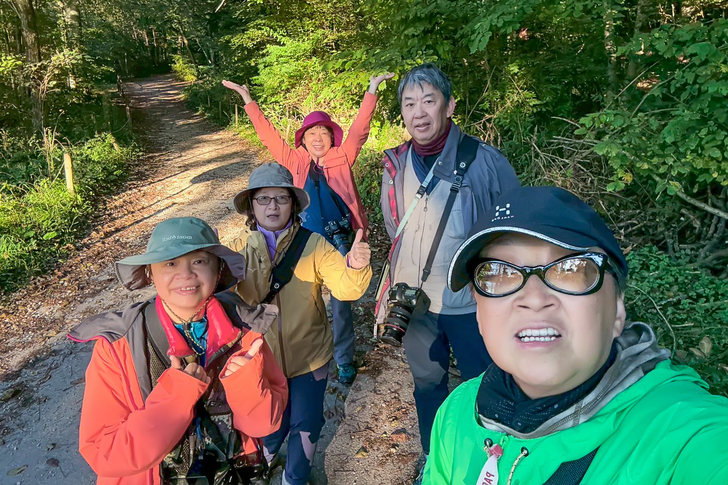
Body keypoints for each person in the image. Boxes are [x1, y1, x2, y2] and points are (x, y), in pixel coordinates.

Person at [424, 185, 728, 484]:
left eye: (571, 269)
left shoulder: (683, 434)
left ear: (617, 310)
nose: (534, 298)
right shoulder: (459, 410)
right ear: (479, 314)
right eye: (498, 273)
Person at [375, 63, 520, 481]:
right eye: (409, 104)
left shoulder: (485, 162)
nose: (418, 112)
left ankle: (486, 461)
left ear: (449, 105)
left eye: (428, 100)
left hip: (470, 304)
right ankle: (434, 457)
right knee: (427, 386)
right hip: (415, 305)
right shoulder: (395, 164)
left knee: (484, 384)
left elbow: (511, 232)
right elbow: (394, 227)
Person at [69, 216, 288, 484]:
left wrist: (246, 385)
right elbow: (105, 453)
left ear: (218, 270)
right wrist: (175, 397)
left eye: (199, 261)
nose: (186, 274)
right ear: (150, 273)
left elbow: (265, 425)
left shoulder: (244, 328)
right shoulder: (118, 346)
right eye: (170, 263)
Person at [223, 73, 392, 385]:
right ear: (302, 138)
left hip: (340, 236)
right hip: (303, 241)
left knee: (342, 300)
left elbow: (359, 131)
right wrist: (248, 100)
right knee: (298, 297)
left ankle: (343, 358)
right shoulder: (294, 161)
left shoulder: (342, 157)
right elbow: (269, 136)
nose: (317, 138)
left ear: (331, 138)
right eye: (311, 133)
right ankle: (291, 354)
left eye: (323, 133)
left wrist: (372, 90)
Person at [230, 162, 373, 485]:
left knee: (306, 423)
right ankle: (264, 461)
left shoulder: (314, 244)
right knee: (269, 424)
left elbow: (346, 289)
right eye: (263, 199)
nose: (272, 206)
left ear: (293, 204)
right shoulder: (237, 252)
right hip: (261, 361)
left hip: (310, 357)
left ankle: (294, 478)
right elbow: (222, 301)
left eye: (281, 198)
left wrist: (354, 266)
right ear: (251, 206)